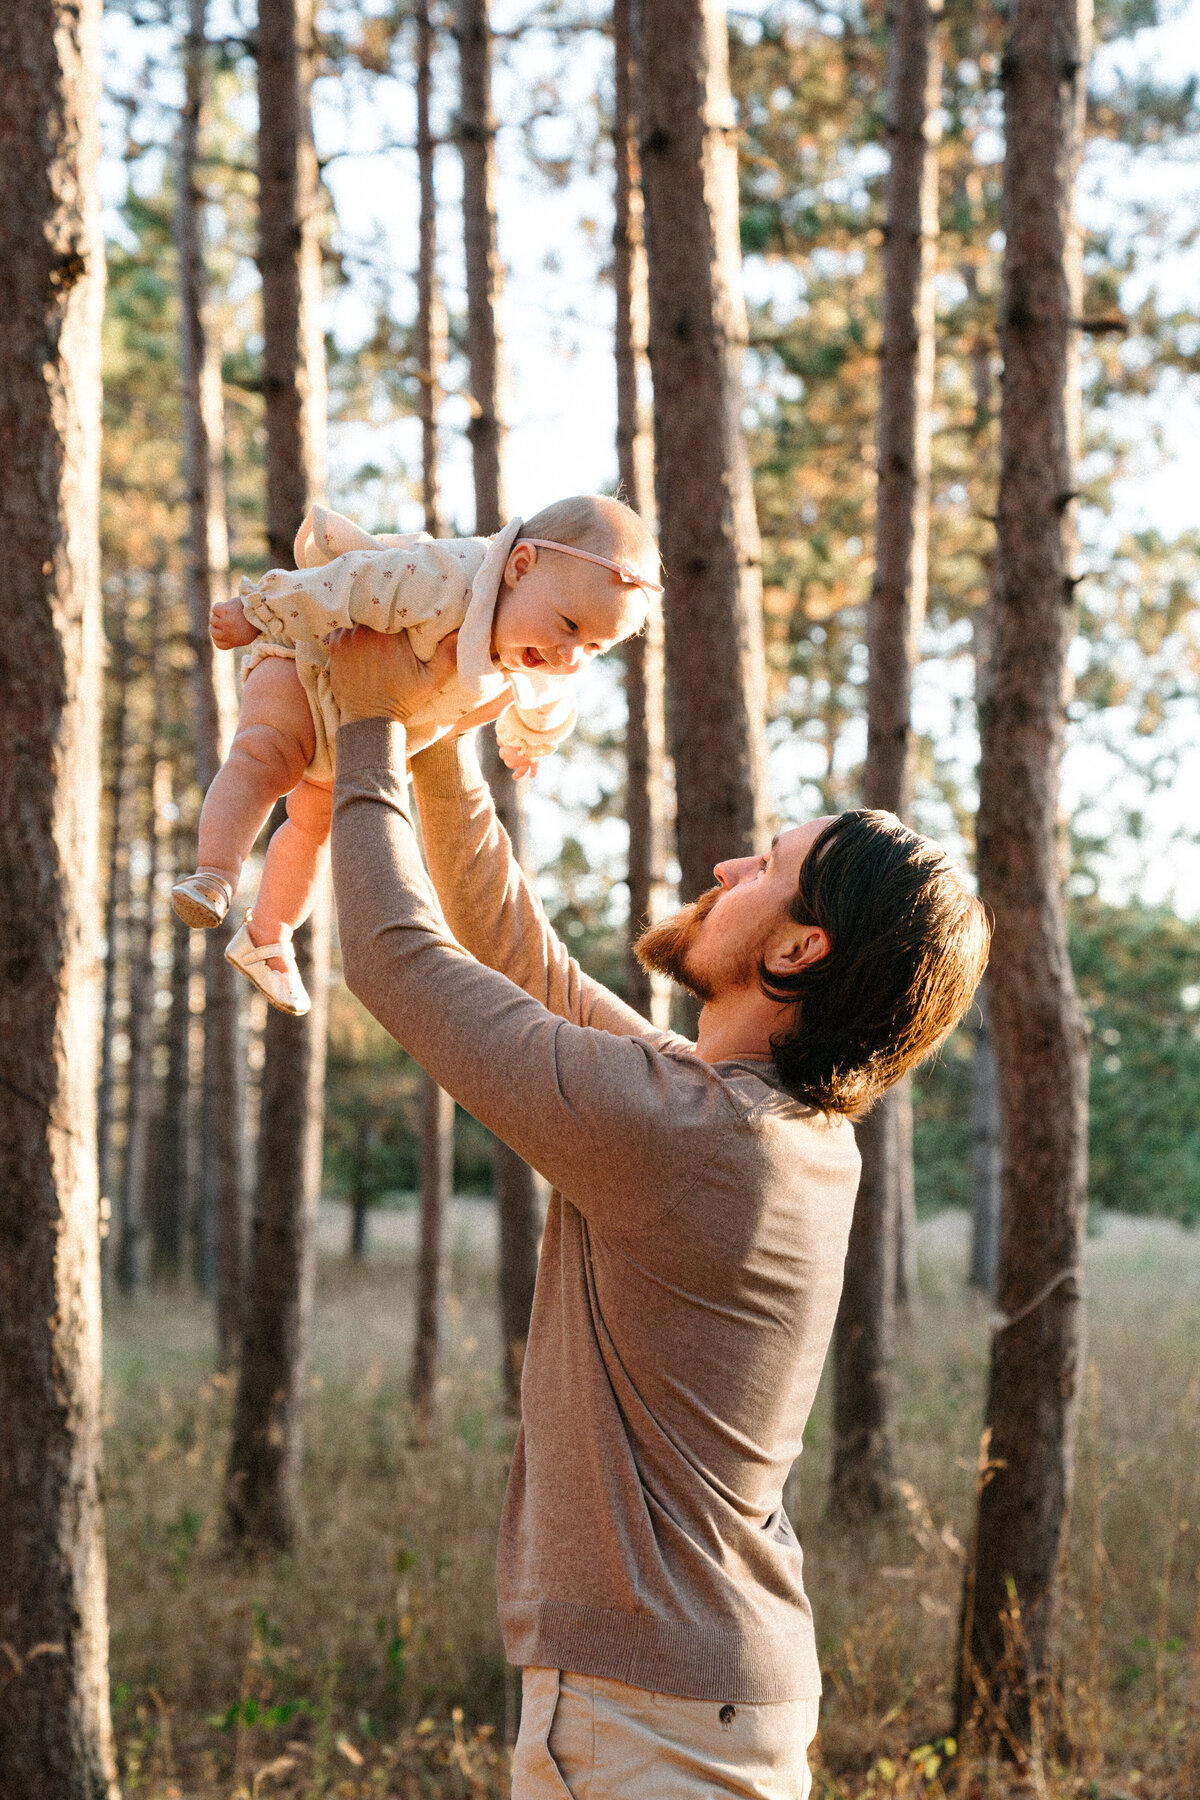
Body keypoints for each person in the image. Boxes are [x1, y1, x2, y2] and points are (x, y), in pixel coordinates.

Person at [325, 624, 991, 1800]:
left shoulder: (686, 1134)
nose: (728, 868)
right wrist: (435, 748)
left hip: (654, 1725)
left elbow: (394, 958)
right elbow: (527, 965)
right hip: (701, 1701)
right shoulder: (753, 1124)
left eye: (765, 867)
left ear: (798, 945)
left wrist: (367, 723)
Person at [171, 494, 659, 1015]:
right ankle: (215, 873)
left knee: (314, 824)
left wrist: (530, 740)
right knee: (265, 757)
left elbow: (548, 704)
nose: (570, 656)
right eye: (569, 626)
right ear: (519, 567)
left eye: (595, 648)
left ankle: (268, 936)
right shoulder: (446, 578)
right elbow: (350, 584)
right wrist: (258, 611)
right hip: (307, 659)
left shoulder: (541, 652)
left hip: (356, 726)